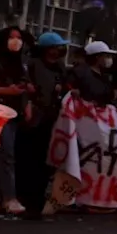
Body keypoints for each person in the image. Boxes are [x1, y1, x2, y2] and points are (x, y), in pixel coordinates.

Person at [19, 32, 69, 219]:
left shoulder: (60, 69)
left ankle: (38, 199)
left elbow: (65, 89)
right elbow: (25, 87)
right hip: (34, 117)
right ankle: (26, 198)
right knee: (29, 159)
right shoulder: (32, 65)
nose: (58, 51)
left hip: (52, 118)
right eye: (55, 47)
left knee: (44, 161)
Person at [0, 26, 32, 216]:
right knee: (4, 155)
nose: (16, 41)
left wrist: (26, 104)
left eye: (19, 37)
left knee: (3, 155)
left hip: (15, 114)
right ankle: (8, 197)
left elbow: (24, 86)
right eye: (11, 37)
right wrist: (9, 91)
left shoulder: (21, 63)